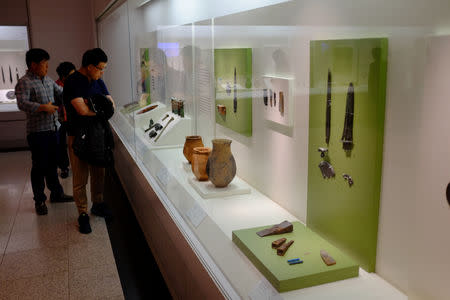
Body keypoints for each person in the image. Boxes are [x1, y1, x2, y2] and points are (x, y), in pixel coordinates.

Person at [15, 48, 74, 215]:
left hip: (53, 129)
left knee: (52, 164)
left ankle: (56, 194)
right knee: (39, 166)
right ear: (33, 65)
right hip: (37, 132)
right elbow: (22, 103)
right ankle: (39, 200)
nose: (47, 67)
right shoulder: (24, 82)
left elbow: (61, 93)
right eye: (44, 64)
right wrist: (42, 107)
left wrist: (76, 95)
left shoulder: (47, 80)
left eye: (47, 64)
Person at [64, 48, 115, 234]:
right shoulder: (73, 82)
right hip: (77, 135)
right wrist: (100, 108)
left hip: (98, 135)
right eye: (100, 69)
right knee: (80, 177)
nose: (102, 73)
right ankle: (83, 213)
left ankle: (98, 204)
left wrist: (95, 105)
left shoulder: (98, 81)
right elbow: (82, 110)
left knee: (99, 172)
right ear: (90, 66)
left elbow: (111, 105)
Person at [55, 62, 76, 178]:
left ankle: (80, 165)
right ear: (63, 77)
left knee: (76, 141)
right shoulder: (56, 86)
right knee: (61, 144)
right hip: (61, 120)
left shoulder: (76, 84)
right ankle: (64, 167)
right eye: (71, 75)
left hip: (74, 119)